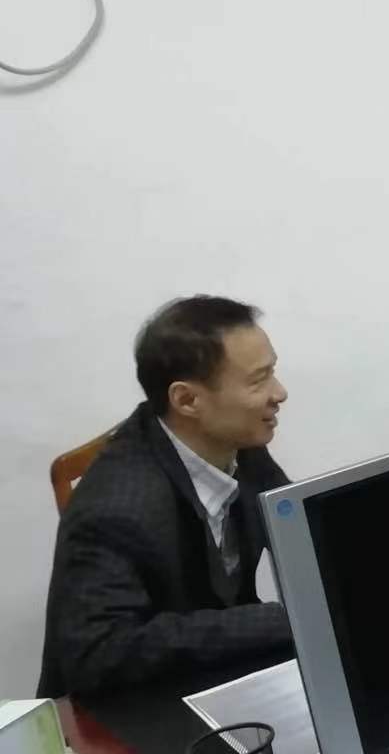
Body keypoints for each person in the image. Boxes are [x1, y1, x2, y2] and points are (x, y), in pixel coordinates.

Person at [40, 296, 295, 698]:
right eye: (258, 380)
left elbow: (293, 526)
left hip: (219, 678)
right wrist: (275, 620)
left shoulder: (237, 443)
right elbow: (101, 653)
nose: (279, 393)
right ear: (187, 400)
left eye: (273, 372)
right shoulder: (115, 508)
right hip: (131, 709)